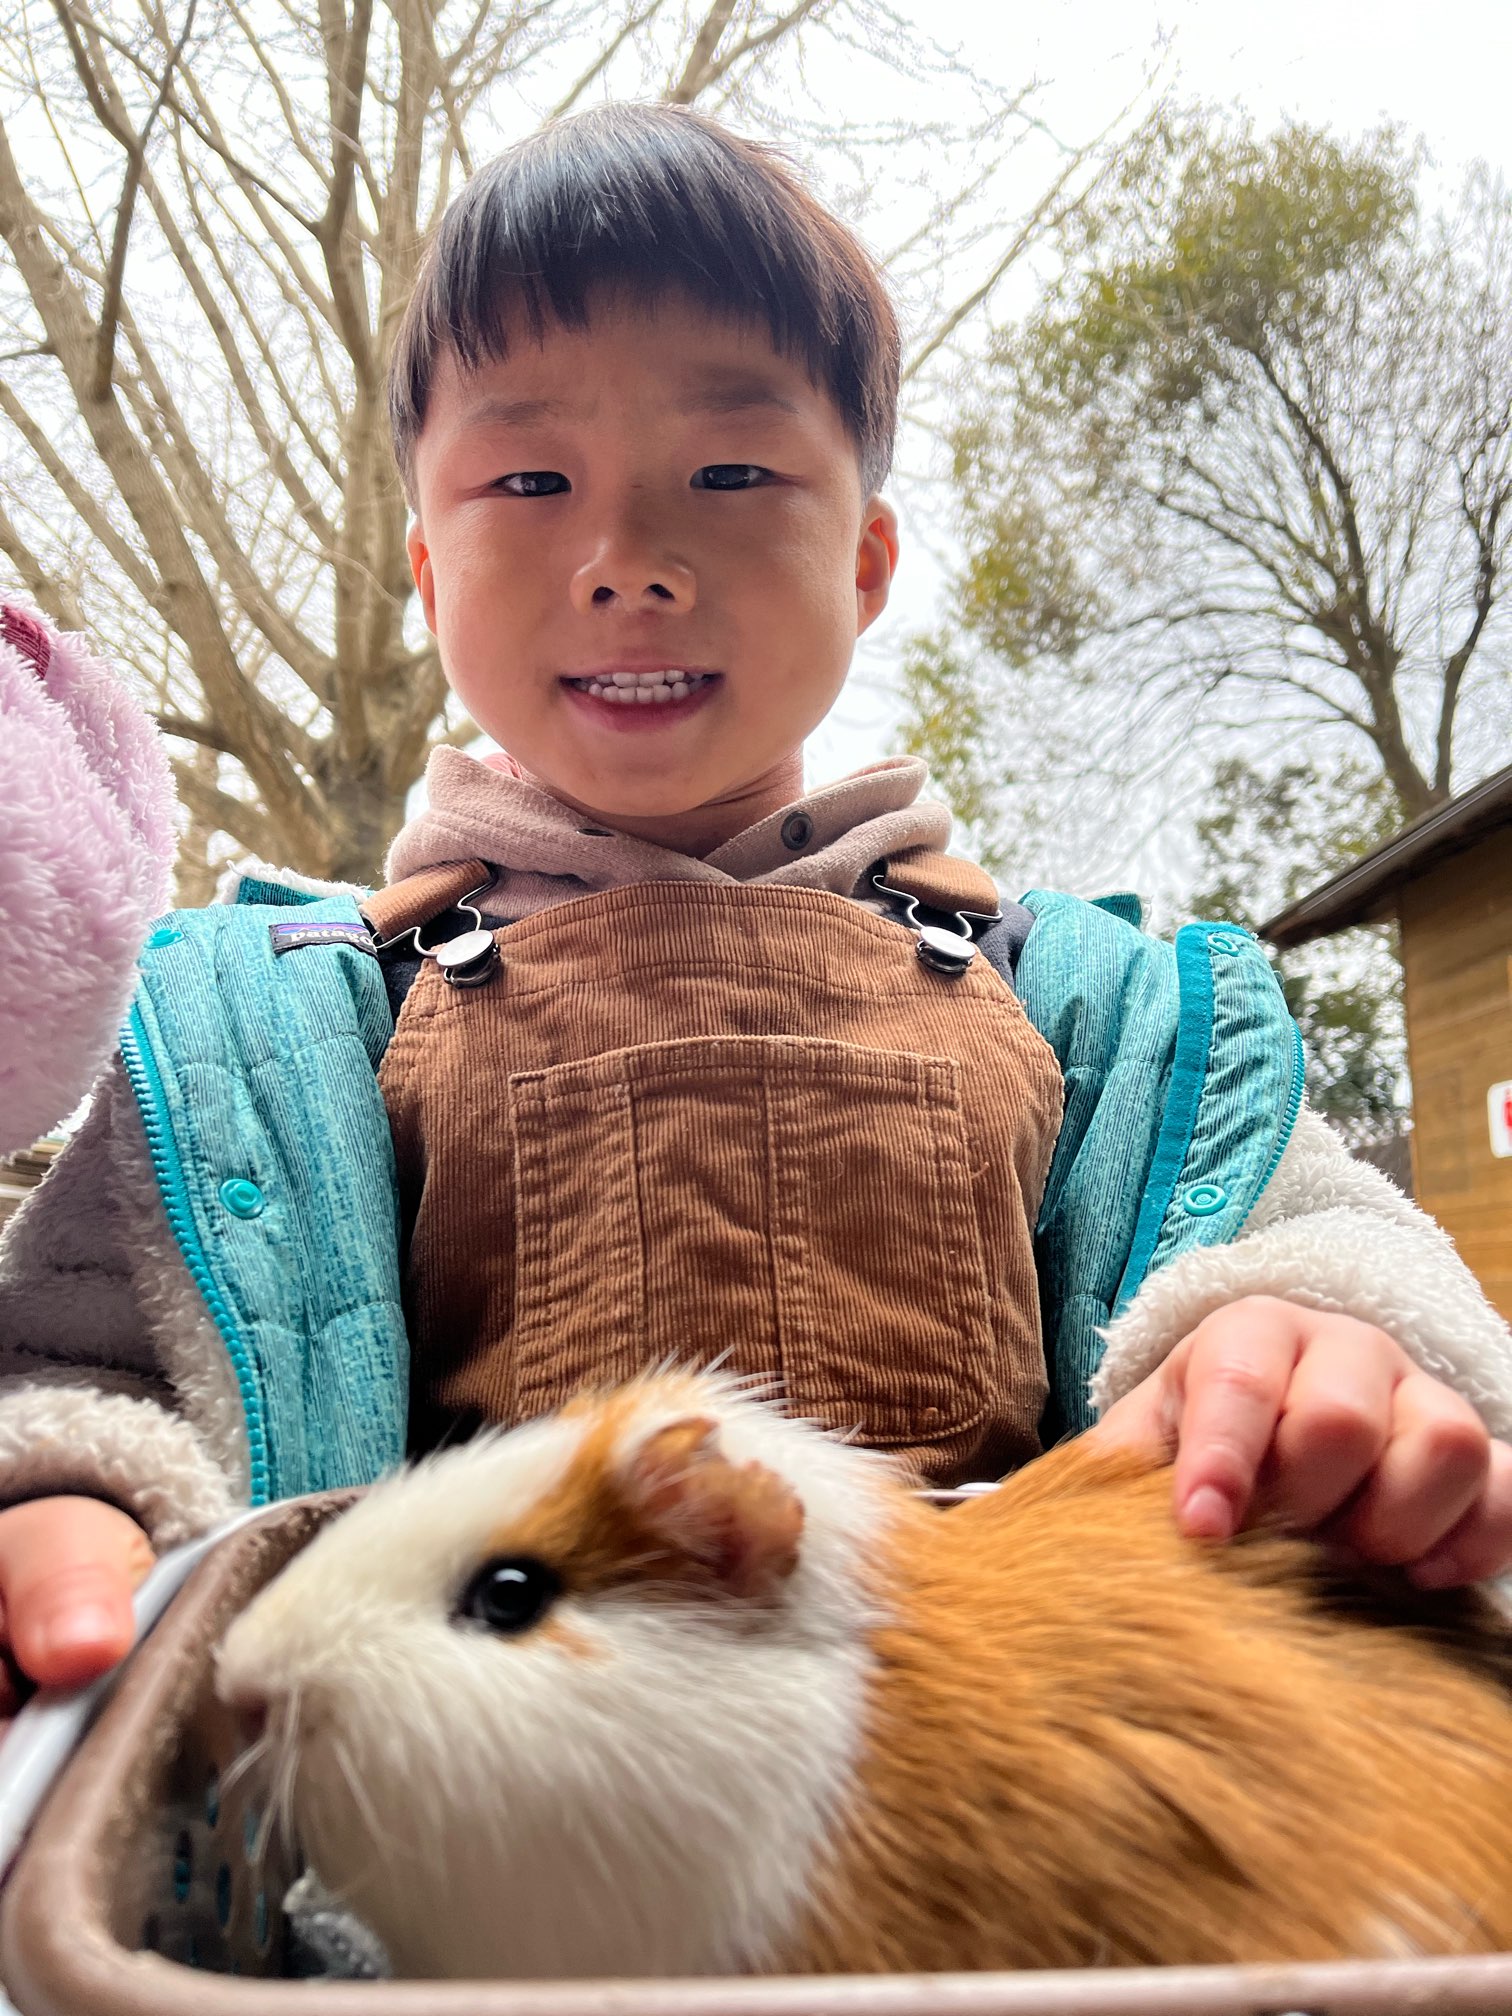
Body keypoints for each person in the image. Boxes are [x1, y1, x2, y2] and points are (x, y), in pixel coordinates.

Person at [2, 103, 1510, 1725]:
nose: (628, 559)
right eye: (529, 477)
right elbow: (76, 1366)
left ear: (865, 563)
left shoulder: (1096, 1008)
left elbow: (1332, 1246)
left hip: (1005, 1793)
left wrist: (1306, 1341)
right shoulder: (267, 1038)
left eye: (732, 470)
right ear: (429, 579)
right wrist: (71, 1493)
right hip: (451, 1830)